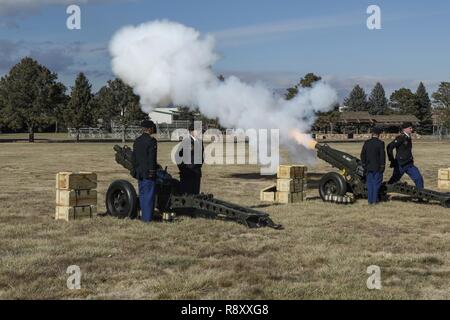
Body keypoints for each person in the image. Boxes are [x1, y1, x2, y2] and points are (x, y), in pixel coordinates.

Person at [132, 120, 158, 222]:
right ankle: (147, 219)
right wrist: (152, 171)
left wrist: (136, 169)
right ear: (150, 129)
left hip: (140, 172)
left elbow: (134, 158)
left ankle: (143, 216)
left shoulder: (137, 140)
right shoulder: (151, 141)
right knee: (149, 196)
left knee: (142, 195)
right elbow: (152, 158)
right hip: (148, 173)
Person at [387, 122, 424, 189]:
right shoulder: (400, 138)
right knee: (393, 181)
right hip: (400, 165)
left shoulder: (408, 137)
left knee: (418, 178)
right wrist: (391, 160)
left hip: (409, 164)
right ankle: (380, 192)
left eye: (411, 128)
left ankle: (421, 196)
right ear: (405, 129)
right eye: (410, 128)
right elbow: (389, 147)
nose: (411, 129)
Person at [361, 127, 386, 205]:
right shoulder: (380, 143)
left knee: (370, 184)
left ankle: (370, 200)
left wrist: (364, 164)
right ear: (379, 134)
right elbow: (382, 156)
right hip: (377, 167)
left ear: (372, 133)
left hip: (368, 167)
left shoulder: (367, 142)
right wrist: (382, 166)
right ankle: (374, 200)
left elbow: (362, 155)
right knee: (376, 184)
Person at [177, 123, 204, 195]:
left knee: (195, 194)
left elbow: (202, 155)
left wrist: (199, 165)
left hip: (196, 172)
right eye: (197, 130)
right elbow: (178, 156)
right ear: (191, 131)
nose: (199, 132)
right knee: (186, 194)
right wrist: (183, 169)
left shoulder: (200, 142)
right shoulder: (186, 141)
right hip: (187, 172)